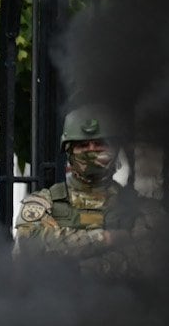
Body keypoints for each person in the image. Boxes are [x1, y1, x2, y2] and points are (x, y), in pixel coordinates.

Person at [15, 106, 154, 274]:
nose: (91, 150)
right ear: (69, 151)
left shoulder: (138, 208)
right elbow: (32, 244)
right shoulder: (43, 202)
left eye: (100, 144)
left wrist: (81, 266)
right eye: (82, 145)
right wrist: (107, 238)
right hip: (54, 298)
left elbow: (147, 257)